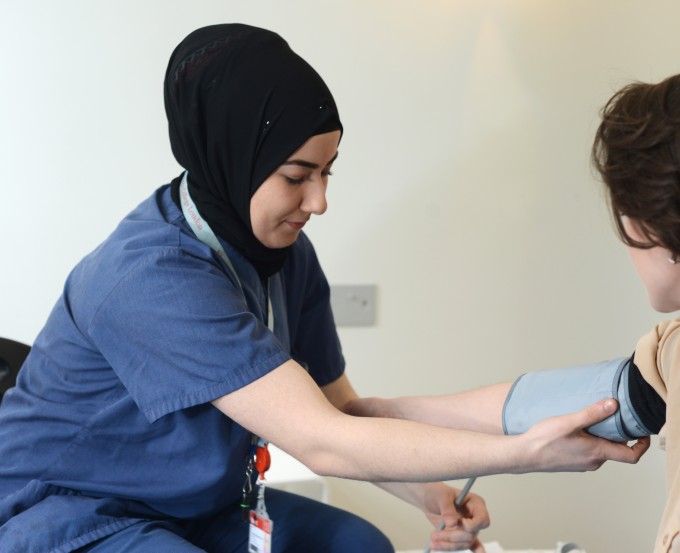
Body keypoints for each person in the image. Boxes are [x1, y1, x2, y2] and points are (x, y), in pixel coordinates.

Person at [0, 23, 647, 553]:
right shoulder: (147, 277)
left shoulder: (283, 252)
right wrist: (526, 453)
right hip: (75, 512)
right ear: (231, 156)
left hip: (197, 504)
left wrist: (432, 492)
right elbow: (321, 440)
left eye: (327, 172)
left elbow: (342, 412)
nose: (320, 200)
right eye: (296, 175)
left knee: (360, 546)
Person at [345, 74, 680, 552]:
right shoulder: (671, 350)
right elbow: (573, 401)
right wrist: (387, 413)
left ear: (653, 218)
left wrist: (523, 454)